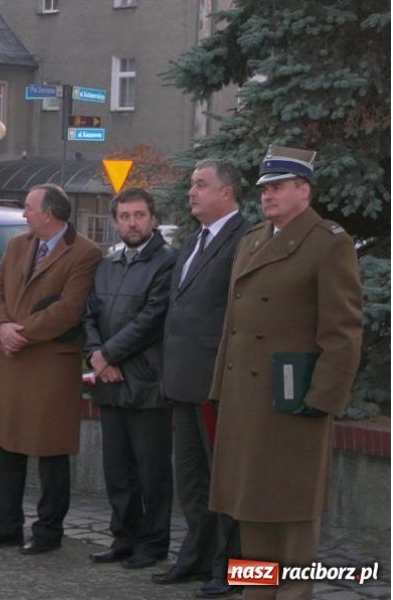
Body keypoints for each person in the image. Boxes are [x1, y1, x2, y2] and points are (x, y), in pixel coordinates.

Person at [209, 145, 363, 600]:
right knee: (251, 510)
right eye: (264, 188)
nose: (268, 195)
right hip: (246, 400)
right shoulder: (253, 239)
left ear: (304, 190)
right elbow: (232, 325)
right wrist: (221, 387)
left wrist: (322, 398)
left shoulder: (328, 242)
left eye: (278, 187)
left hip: (294, 403)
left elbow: (343, 329)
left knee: (292, 513)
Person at [0, 183, 102, 555]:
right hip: (11, 361)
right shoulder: (17, 245)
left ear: (49, 213)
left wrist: (19, 332)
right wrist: (0, 327)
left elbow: (68, 309)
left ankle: (48, 532)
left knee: (50, 451)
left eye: (29, 207)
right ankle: (4, 525)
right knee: (5, 446)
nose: (24, 214)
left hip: (49, 363)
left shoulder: (85, 253)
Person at [152, 160, 249, 597]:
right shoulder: (194, 240)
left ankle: (232, 568)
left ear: (226, 193)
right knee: (190, 478)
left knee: (221, 480)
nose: (191, 192)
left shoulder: (244, 239)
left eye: (200, 185)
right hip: (183, 381)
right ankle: (194, 557)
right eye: (191, 184)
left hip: (216, 382)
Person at [82, 188, 178, 569]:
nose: (132, 222)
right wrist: (95, 355)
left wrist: (108, 354)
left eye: (139, 215)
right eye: (125, 216)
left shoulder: (168, 263)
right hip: (110, 382)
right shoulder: (107, 264)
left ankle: (153, 545)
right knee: (117, 471)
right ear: (115, 221)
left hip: (148, 383)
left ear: (153, 219)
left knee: (152, 472)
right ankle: (123, 538)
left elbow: (152, 320)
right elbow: (88, 315)